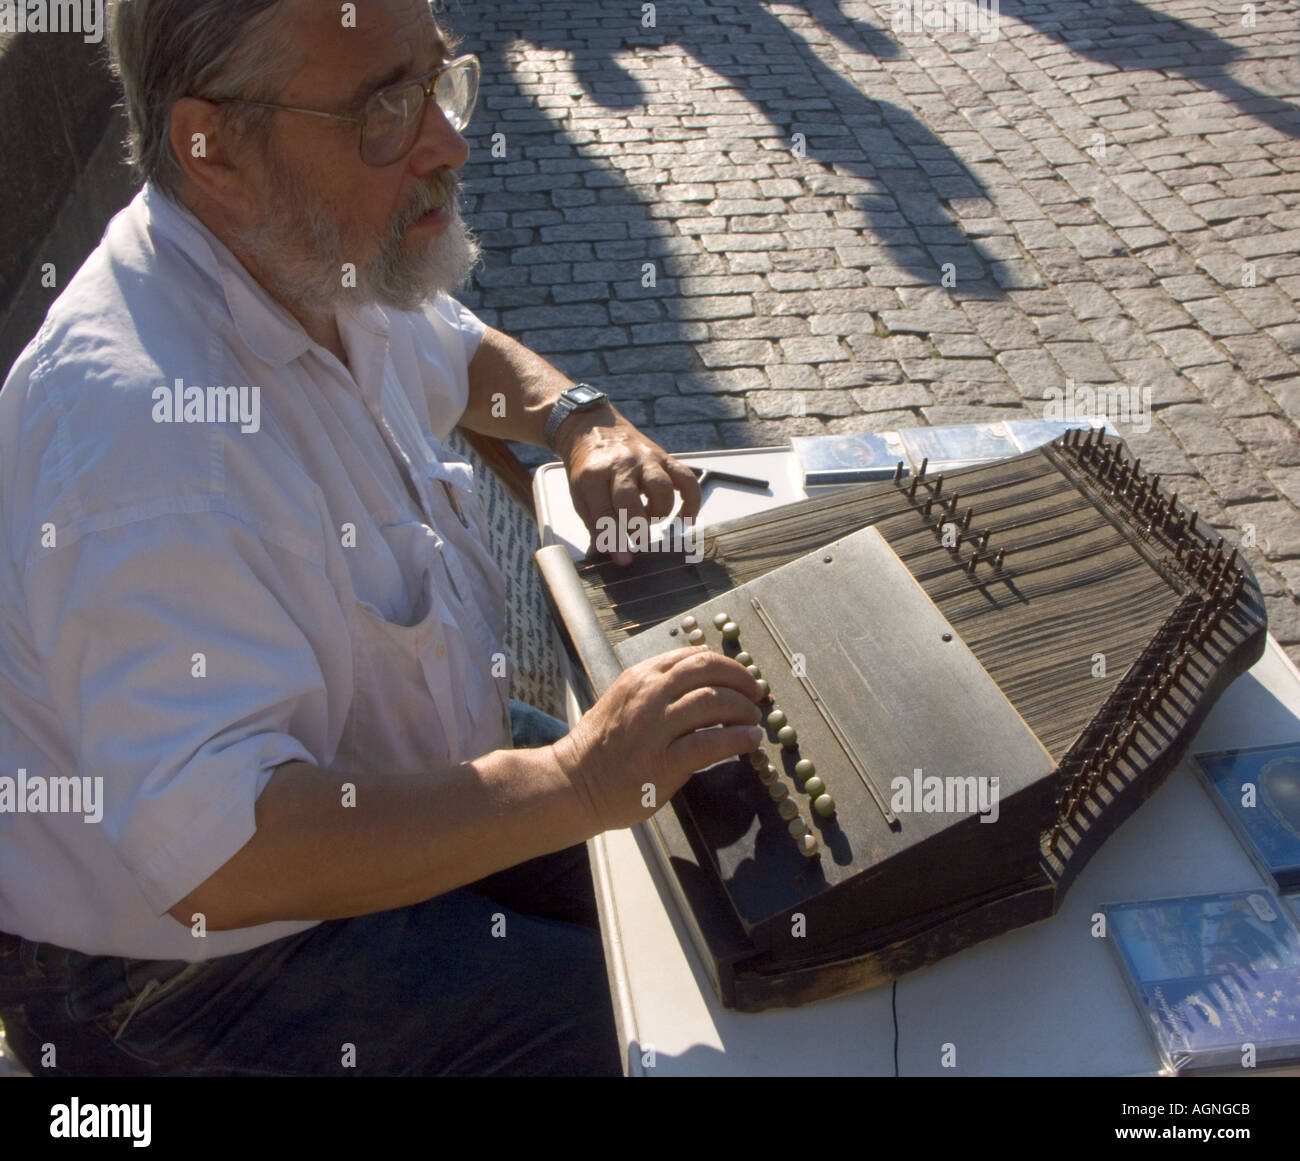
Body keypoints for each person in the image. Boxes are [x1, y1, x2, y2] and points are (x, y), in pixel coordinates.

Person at [0, 0, 765, 1076]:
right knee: (704, 1033)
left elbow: (460, 355)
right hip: (186, 974)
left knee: (734, 848)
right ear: (211, 146)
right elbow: (223, 849)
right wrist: (580, 782)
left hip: (394, 763)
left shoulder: (306, 249)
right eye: (381, 111)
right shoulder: (139, 435)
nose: (446, 142)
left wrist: (576, 417)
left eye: (437, 80)